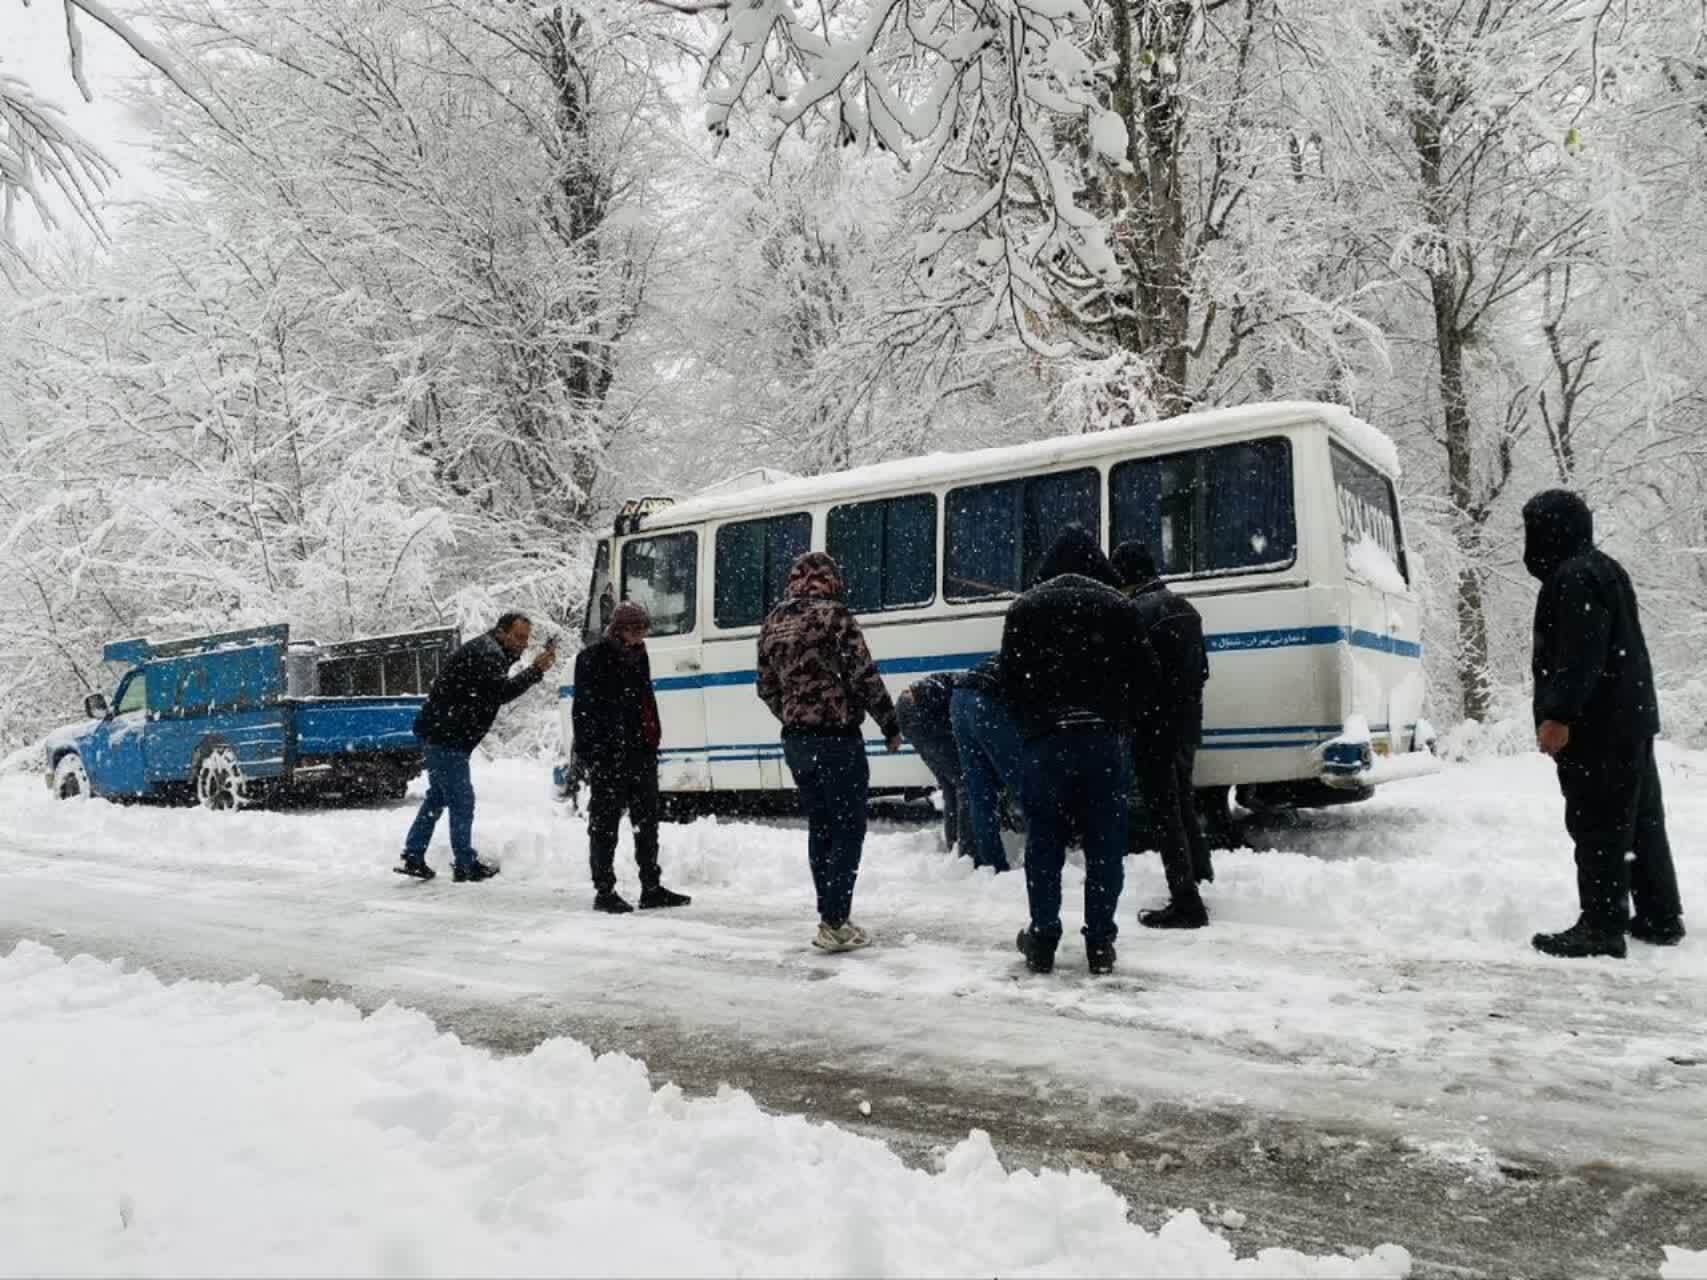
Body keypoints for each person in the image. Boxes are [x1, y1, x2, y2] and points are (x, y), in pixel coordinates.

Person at [1523, 490, 1684, 958]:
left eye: (1534, 528)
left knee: (1597, 822)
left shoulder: (1572, 577)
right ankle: (1659, 916)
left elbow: (1578, 655)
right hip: (1629, 718)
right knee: (1640, 822)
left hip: (1597, 726)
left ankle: (1601, 925)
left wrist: (1559, 715)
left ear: (1552, 529)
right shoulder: (1604, 568)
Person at [1001, 526, 1159, 976]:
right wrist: (1118, 717)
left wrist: (1034, 725)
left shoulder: (1024, 608)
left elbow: (1009, 681)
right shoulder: (1119, 607)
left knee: (1044, 843)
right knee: (1105, 844)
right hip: (1101, 743)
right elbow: (1147, 677)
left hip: (1046, 743)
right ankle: (1101, 945)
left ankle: (1043, 938)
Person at [757, 551, 902, 953]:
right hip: (837, 739)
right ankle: (835, 921)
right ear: (832, 581)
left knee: (821, 826)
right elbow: (863, 676)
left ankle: (830, 915)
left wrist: (794, 714)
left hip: (797, 741)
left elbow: (765, 686)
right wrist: (889, 724)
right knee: (848, 828)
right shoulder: (834, 616)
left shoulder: (774, 622)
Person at [398, 612, 555, 882]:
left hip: (440, 731)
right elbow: (501, 692)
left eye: (526, 638)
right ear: (502, 632)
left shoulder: (490, 649)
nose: (524, 643)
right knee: (462, 799)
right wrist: (536, 670)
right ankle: (464, 863)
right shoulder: (487, 654)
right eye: (519, 636)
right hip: (447, 736)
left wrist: (532, 666)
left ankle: (414, 853)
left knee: (439, 796)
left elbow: (491, 687)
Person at [1112, 541, 1214, 929]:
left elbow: (1128, 677)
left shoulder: (1135, 613)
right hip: (1187, 722)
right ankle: (1200, 871)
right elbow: (1203, 671)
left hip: (1153, 727)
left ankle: (1187, 901)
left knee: (1164, 812)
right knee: (1183, 802)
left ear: (1125, 577)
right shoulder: (1185, 607)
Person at [572, 601, 692, 914]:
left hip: (640, 750)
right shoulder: (592, 658)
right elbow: (583, 712)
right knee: (605, 823)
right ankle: (604, 890)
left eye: (643, 630)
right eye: (634, 630)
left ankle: (650, 886)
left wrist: (652, 737)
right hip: (609, 755)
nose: (640, 636)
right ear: (619, 629)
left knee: (647, 820)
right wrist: (592, 753)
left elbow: (644, 701)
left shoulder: (640, 655)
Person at [949, 656, 1025, 873]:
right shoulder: (1046, 667)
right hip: (986, 701)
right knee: (1024, 783)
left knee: (979, 791)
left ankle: (992, 864)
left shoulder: (1018, 652)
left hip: (959, 700)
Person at [896, 673, 971, 853]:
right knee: (964, 783)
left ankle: (955, 845)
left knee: (950, 784)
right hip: (921, 708)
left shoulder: (973, 682)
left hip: (907, 706)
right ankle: (966, 850)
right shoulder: (979, 693)